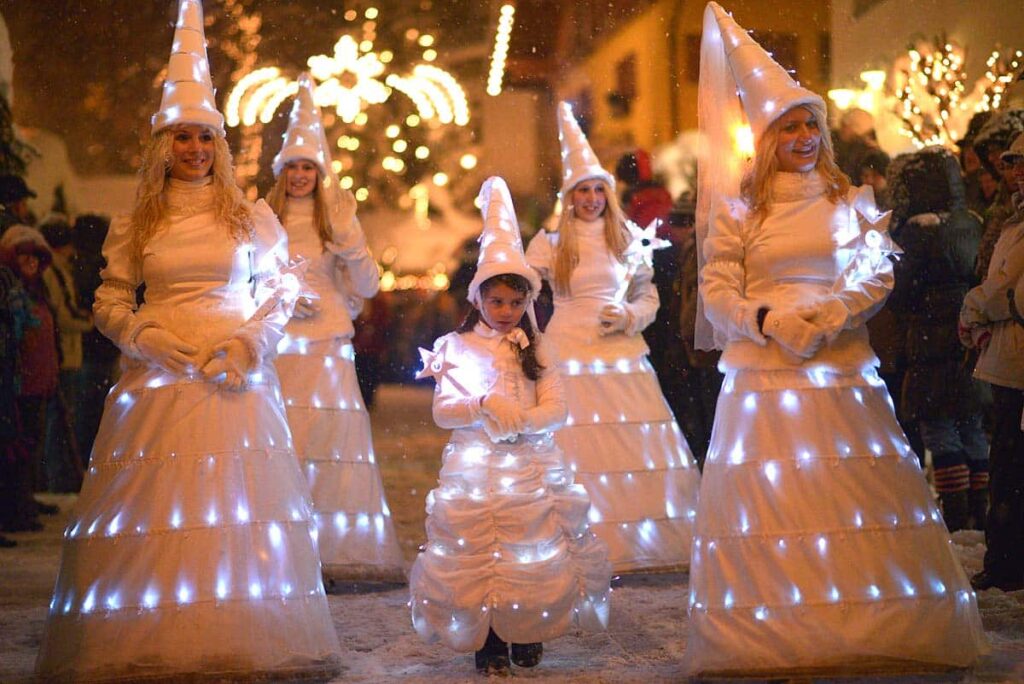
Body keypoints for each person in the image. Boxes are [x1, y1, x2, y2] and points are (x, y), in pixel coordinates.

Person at [34, 2, 341, 680]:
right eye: (182, 137)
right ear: (162, 145)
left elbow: (281, 289)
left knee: (234, 506)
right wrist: (141, 334)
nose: (195, 150)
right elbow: (111, 299)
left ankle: (237, 630)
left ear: (220, 144)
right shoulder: (136, 221)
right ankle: (157, 635)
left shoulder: (250, 216)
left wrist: (251, 343)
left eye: (205, 137)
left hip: (234, 379)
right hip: (159, 380)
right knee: (157, 515)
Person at [684, 4, 987, 676]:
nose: (803, 136)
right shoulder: (739, 212)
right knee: (777, 496)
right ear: (766, 136)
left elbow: (877, 272)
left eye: (809, 124)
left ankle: (870, 618)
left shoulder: (847, 202)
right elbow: (718, 292)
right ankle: (783, 623)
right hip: (766, 376)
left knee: (853, 492)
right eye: (788, 126)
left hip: (840, 368)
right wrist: (768, 321)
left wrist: (835, 313)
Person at [410, 177, 610, 675]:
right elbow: (443, 411)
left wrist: (524, 422)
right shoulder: (455, 348)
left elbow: (557, 406)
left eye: (515, 303)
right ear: (477, 299)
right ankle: (491, 638)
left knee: (530, 550)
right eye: (496, 302)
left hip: (528, 465)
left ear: (528, 303)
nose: (506, 312)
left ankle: (529, 627)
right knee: (481, 553)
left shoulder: (538, 348)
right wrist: (480, 404)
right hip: (476, 472)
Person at [525, 103, 701, 573]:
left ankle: (635, 538)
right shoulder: (551, 243)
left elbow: (649, 298)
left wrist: (627, 315)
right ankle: (572, 535)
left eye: (597, 189)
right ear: (570, 196)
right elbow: (521, 290)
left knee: (631, 443)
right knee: (574, 441)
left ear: (608, 193)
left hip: (620, 353)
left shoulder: (627, 240)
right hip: (568, 351)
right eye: (581, 190)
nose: (590, 199)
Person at [265, 72, 404, 585]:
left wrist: (349, 240)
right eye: (293, 167)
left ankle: (334, 547)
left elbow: (365, 286)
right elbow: (249, 278)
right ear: (282, 172)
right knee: (285, 440)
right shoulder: (264, 217)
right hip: (279, 347)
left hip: (326, 347)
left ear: (320, 172)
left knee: (329, 442)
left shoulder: (339, 217)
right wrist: (282, 298)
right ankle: (283, 547)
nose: (300, 175)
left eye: (308, 167)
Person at [888, 147, 989, 531]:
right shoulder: (972, 222)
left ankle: (958, 513)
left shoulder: (919, 231)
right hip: (968, 337)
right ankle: (983, 509)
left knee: (939, 426)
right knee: (971, 423)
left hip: (930, 338)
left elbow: (900, 290)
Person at [959, 131, 1024, 592]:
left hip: (1017, 359)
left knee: (1011, 464)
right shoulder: (1013, 220)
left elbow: (1010, 288)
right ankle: (1003, 559)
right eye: (1013, 162)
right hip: (1006, 356)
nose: (1017, 172)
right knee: (1005, 459)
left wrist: (975, 304)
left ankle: (1007, 563)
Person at [0, 224, 56, 533]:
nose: (31, 265)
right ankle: (15, 508)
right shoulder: (13, 292)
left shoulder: (35, 291)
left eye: (36, 259)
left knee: (31, 445)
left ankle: (25, 501)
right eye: (25, 259)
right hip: (19, 384)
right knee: (17, 449)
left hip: (38, 381)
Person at [40, 214, 91, 492]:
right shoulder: (55, 270)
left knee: (60, 418)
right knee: (61, 419)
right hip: (65, 355)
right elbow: (64, 312)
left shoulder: (54, 268)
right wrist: (89, 322)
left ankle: (55, 477)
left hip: (65, 354)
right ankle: (56, 479)